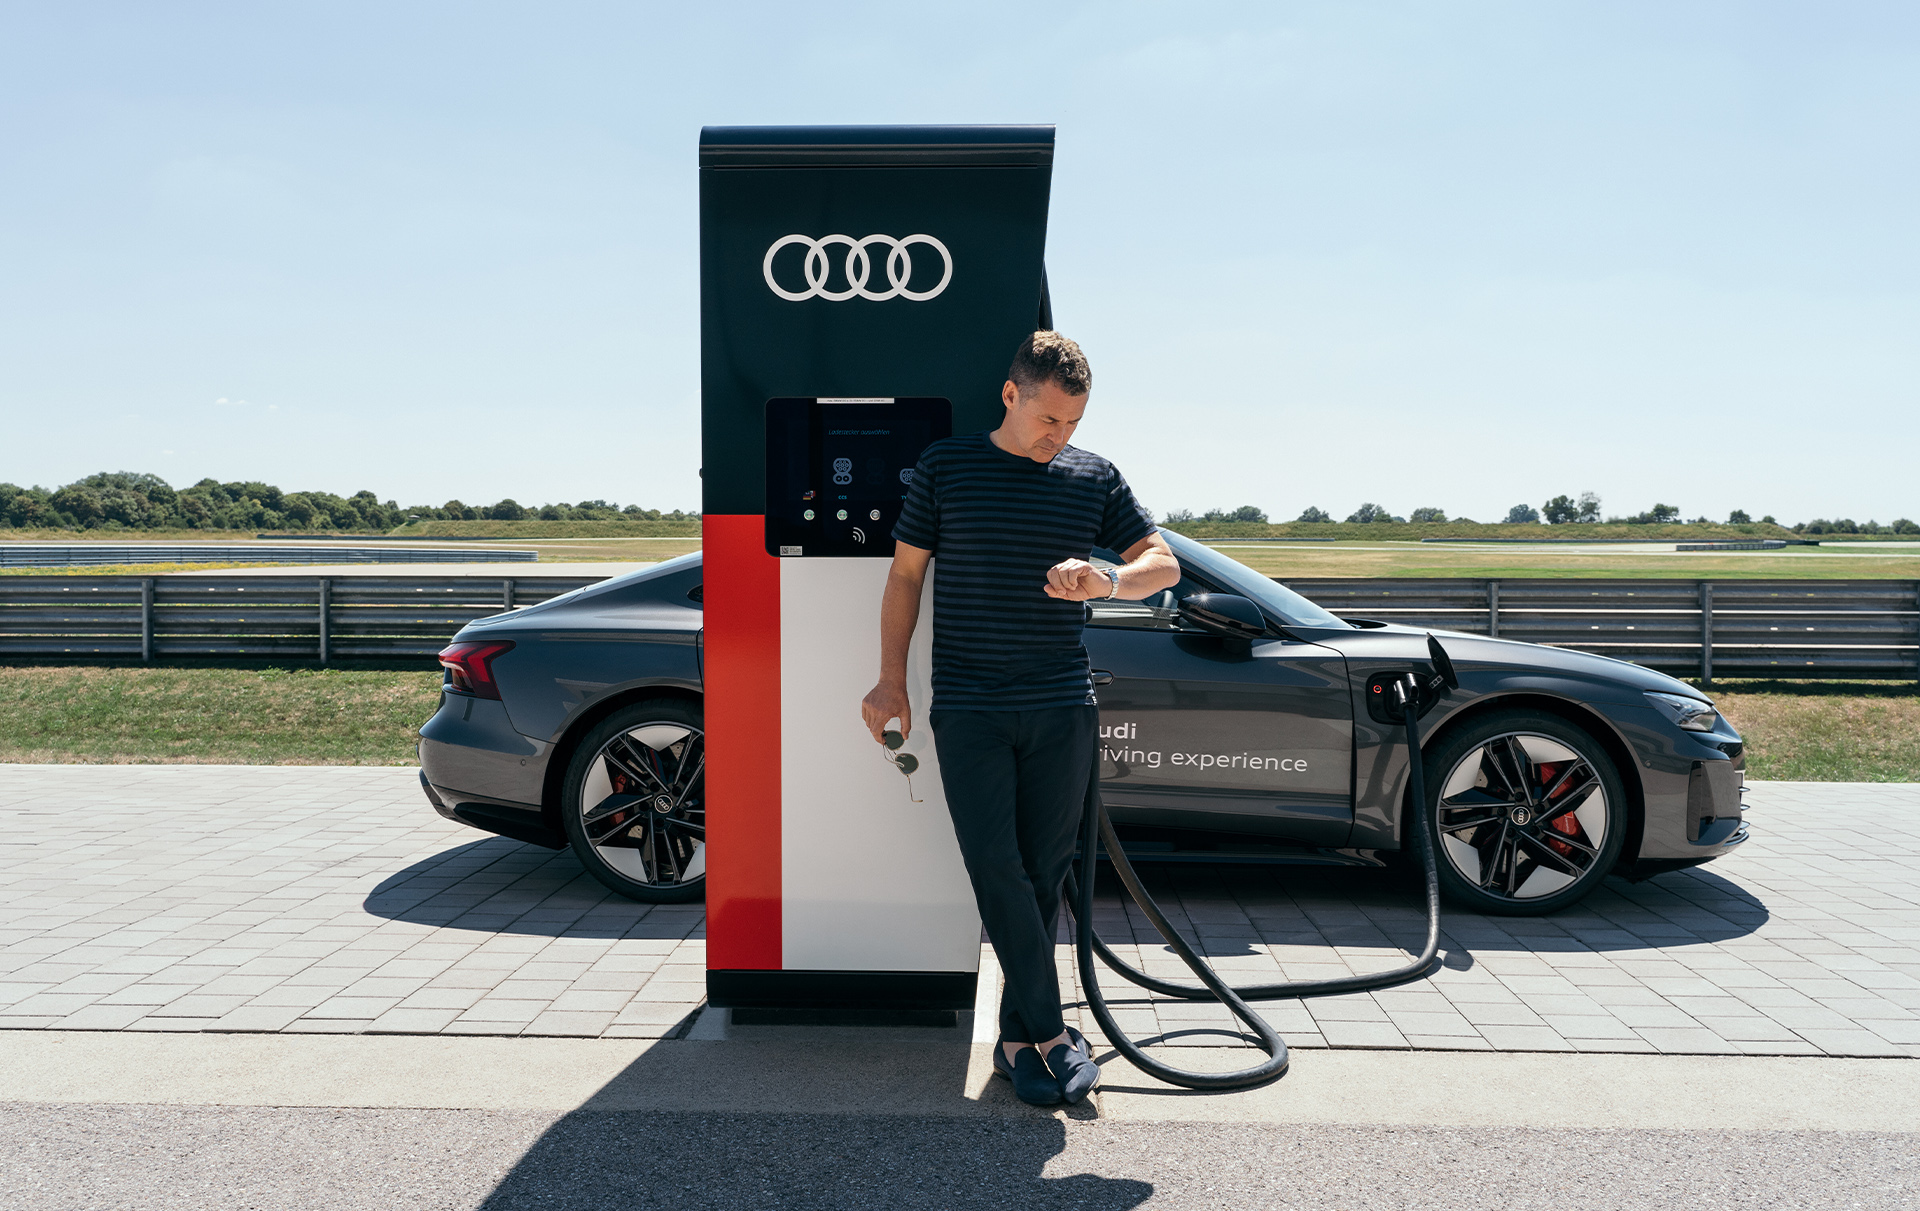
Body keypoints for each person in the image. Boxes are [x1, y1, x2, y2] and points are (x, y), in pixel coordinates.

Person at [860, 331, 1181, 1105]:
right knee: (995, 865)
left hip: (1061, 702)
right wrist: (888, 679)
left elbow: (1163, 566)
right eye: (1049, 419)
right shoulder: (947, 466)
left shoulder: (1092, 476)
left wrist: (1106, 577)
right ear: (1012, 395)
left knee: (1044, 872)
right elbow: (905, 577)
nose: (1059, 437)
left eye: (1072, 423)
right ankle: (1051, 1028)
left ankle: (1017, 1040)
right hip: (968, 703)